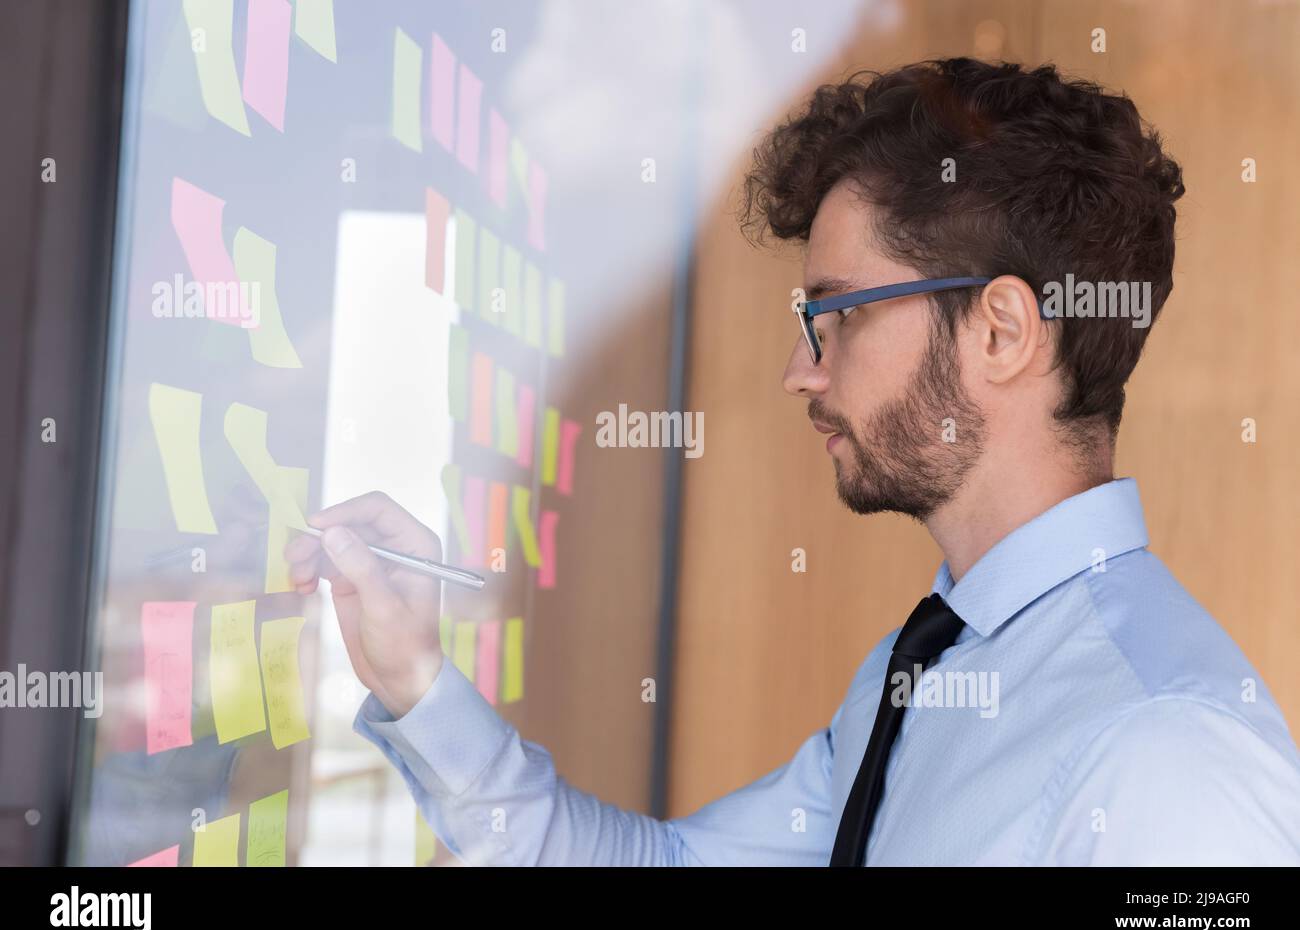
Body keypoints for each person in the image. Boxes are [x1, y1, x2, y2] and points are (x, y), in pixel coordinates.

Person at [284, 58, 1300, 865]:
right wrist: (416, 679)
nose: (797, 373)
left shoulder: (1168, 748)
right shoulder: (924, 666)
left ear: (1000, 332)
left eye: (834, 317)